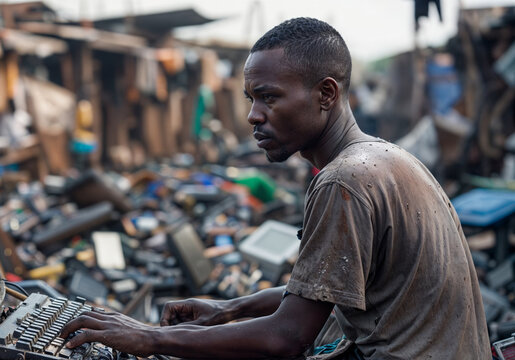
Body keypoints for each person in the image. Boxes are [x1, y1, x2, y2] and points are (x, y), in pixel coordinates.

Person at [61, 17, 491, 359]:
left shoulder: (343, 182)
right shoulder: (387, 158)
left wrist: (150, 339)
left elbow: (286, 336)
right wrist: (229, 309)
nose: (252, 115)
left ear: (326, 94)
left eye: (269, 97)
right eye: (251, 98)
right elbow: (315, 296)